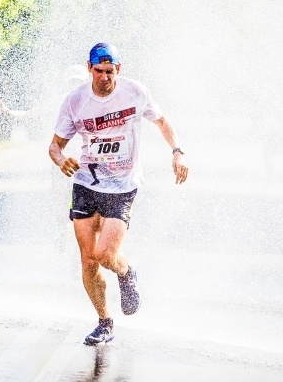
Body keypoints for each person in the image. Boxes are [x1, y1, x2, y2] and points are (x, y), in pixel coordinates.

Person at [48, 42, 189, 345]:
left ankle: (126, 273)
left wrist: (177, 152)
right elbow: (55, 146)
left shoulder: (135, 92)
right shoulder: (75, 101)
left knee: (105, 255)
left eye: (109, 72)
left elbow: (162, 121)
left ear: (119, 70)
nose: (103, 78)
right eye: (98, 71)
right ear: (89, 69)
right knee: (88, 261)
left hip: (123, 185)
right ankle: (104, 322)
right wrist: (62, 161)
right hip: (86, 183)